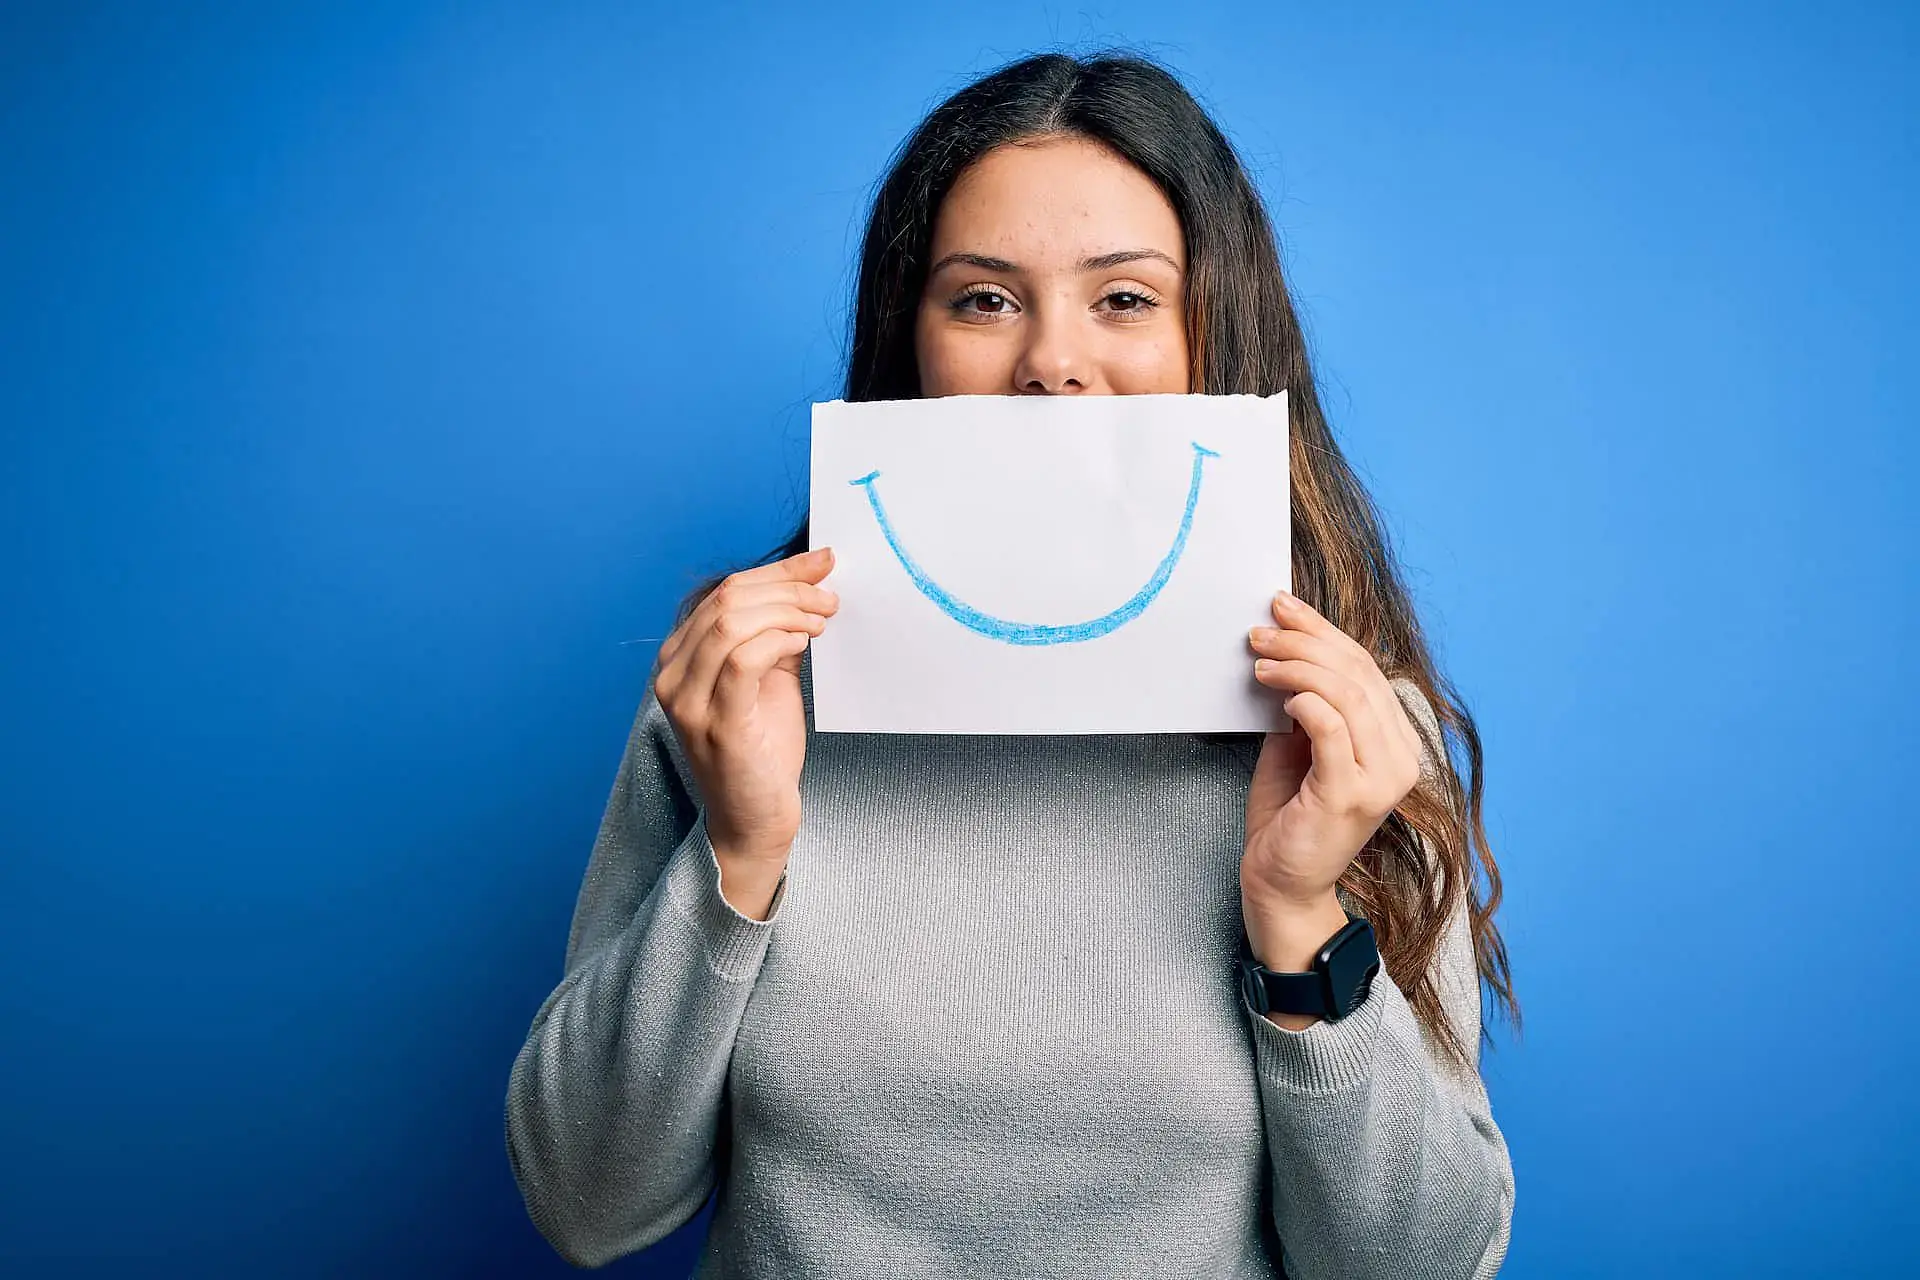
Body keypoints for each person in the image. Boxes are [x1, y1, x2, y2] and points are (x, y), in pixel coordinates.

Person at [506, 49, 1520, 1279]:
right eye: (983, 299)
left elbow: (1421, 1265)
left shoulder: (1346, 740)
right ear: (912, 347)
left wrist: (1300, 920)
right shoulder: (744, 708)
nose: (1051, 362)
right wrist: (737, 851)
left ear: (1220, 338)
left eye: (1127, 298)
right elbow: (585, 1203)